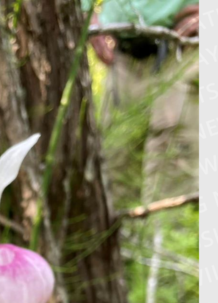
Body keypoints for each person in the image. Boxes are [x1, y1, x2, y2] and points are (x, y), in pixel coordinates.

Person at [88, 0, 199, 204]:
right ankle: (126, 234)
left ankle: (169, 233)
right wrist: (86, 13)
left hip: (182, 50)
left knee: (173, 174)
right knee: (117, 165)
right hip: (122, 56)